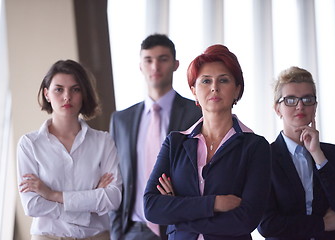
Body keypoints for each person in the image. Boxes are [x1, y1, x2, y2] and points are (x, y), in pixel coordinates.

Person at [143, 44, 272, 240]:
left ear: (237, 90)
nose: (214, 87)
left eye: (224, 80)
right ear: (194, 91)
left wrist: (177, 213)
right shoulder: (175, 143)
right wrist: (214, 204)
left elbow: (246, 219)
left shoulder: (255, 146)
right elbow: (152, 207)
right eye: (205, 81)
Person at [108, 34, 202, 240]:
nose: (155, 67)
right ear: (140, 65)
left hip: (179, 227)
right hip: (132, 230)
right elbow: (115, 178)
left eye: (163, 59)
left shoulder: (196, 113)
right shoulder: (121, 120)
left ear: (176, 64)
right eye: (148, 60)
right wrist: (116, 233)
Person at [17, 59, 122, 240]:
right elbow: (32, 205)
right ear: (47, 94)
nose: (67, 97)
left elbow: (113, 198)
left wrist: (52, 194)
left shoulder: (103, 141)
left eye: (75, 89)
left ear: (83, 94)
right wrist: (89, 205)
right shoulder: (29, 144)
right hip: (48, 236)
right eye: (59, 89)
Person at [258, 66, 335, 240]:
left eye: (307, 99)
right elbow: (267, 225)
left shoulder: (331, 153)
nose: (300, 106)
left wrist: (317, 155)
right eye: (290, 100)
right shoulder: (264, 157)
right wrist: (322, 224)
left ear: (315, 107)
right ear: (277, 109)